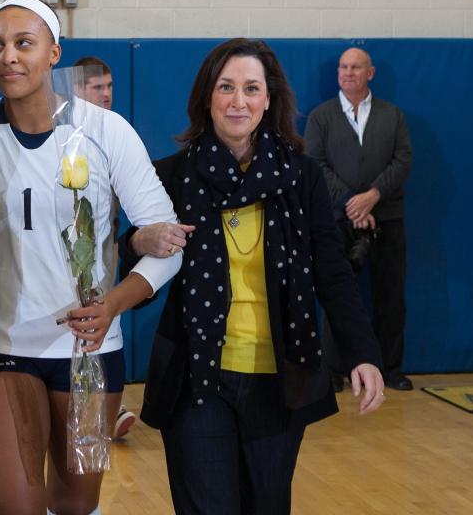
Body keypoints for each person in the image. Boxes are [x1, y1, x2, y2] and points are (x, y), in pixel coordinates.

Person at [120, 38, 385, 514]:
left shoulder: (300, 178)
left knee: (266, 504)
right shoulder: (173, 176)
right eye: (226, 87)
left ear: (268, 99)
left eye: (250, 88)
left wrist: (363, 354)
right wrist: (139, 242)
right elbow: (137, 279)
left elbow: (333, 272)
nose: (237, 100)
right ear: (207, 97)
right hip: (197, 377)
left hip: (280, 377)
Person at [0, 0, 187, 515]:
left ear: (53, 53)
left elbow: (169, 244)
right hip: (2, 346)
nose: (8, 57)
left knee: (74, 506)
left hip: (90, 354)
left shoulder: (106, 131)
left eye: (24, 44)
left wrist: (113, 304)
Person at [304, 47, 414, 392]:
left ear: (371, 73)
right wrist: (352, 203)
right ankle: (334, 370)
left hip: (388, 218)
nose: (348, 72)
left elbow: (403, 159)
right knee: (336, 295)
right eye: (343, 67)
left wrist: (373, 196)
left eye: (356, 67)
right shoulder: (320, 117)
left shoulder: (392, 115)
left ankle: (389, 368)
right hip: (337, 220)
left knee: (390, 296)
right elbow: (315, 163)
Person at [71, 55, 136, 440]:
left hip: (103, 250)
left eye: (110, 87)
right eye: (99, 87)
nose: (108, 94)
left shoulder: (116, 132)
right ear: (78, 89)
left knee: (107, 323)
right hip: (66, 252)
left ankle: (112, 406)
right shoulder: (62, 131)